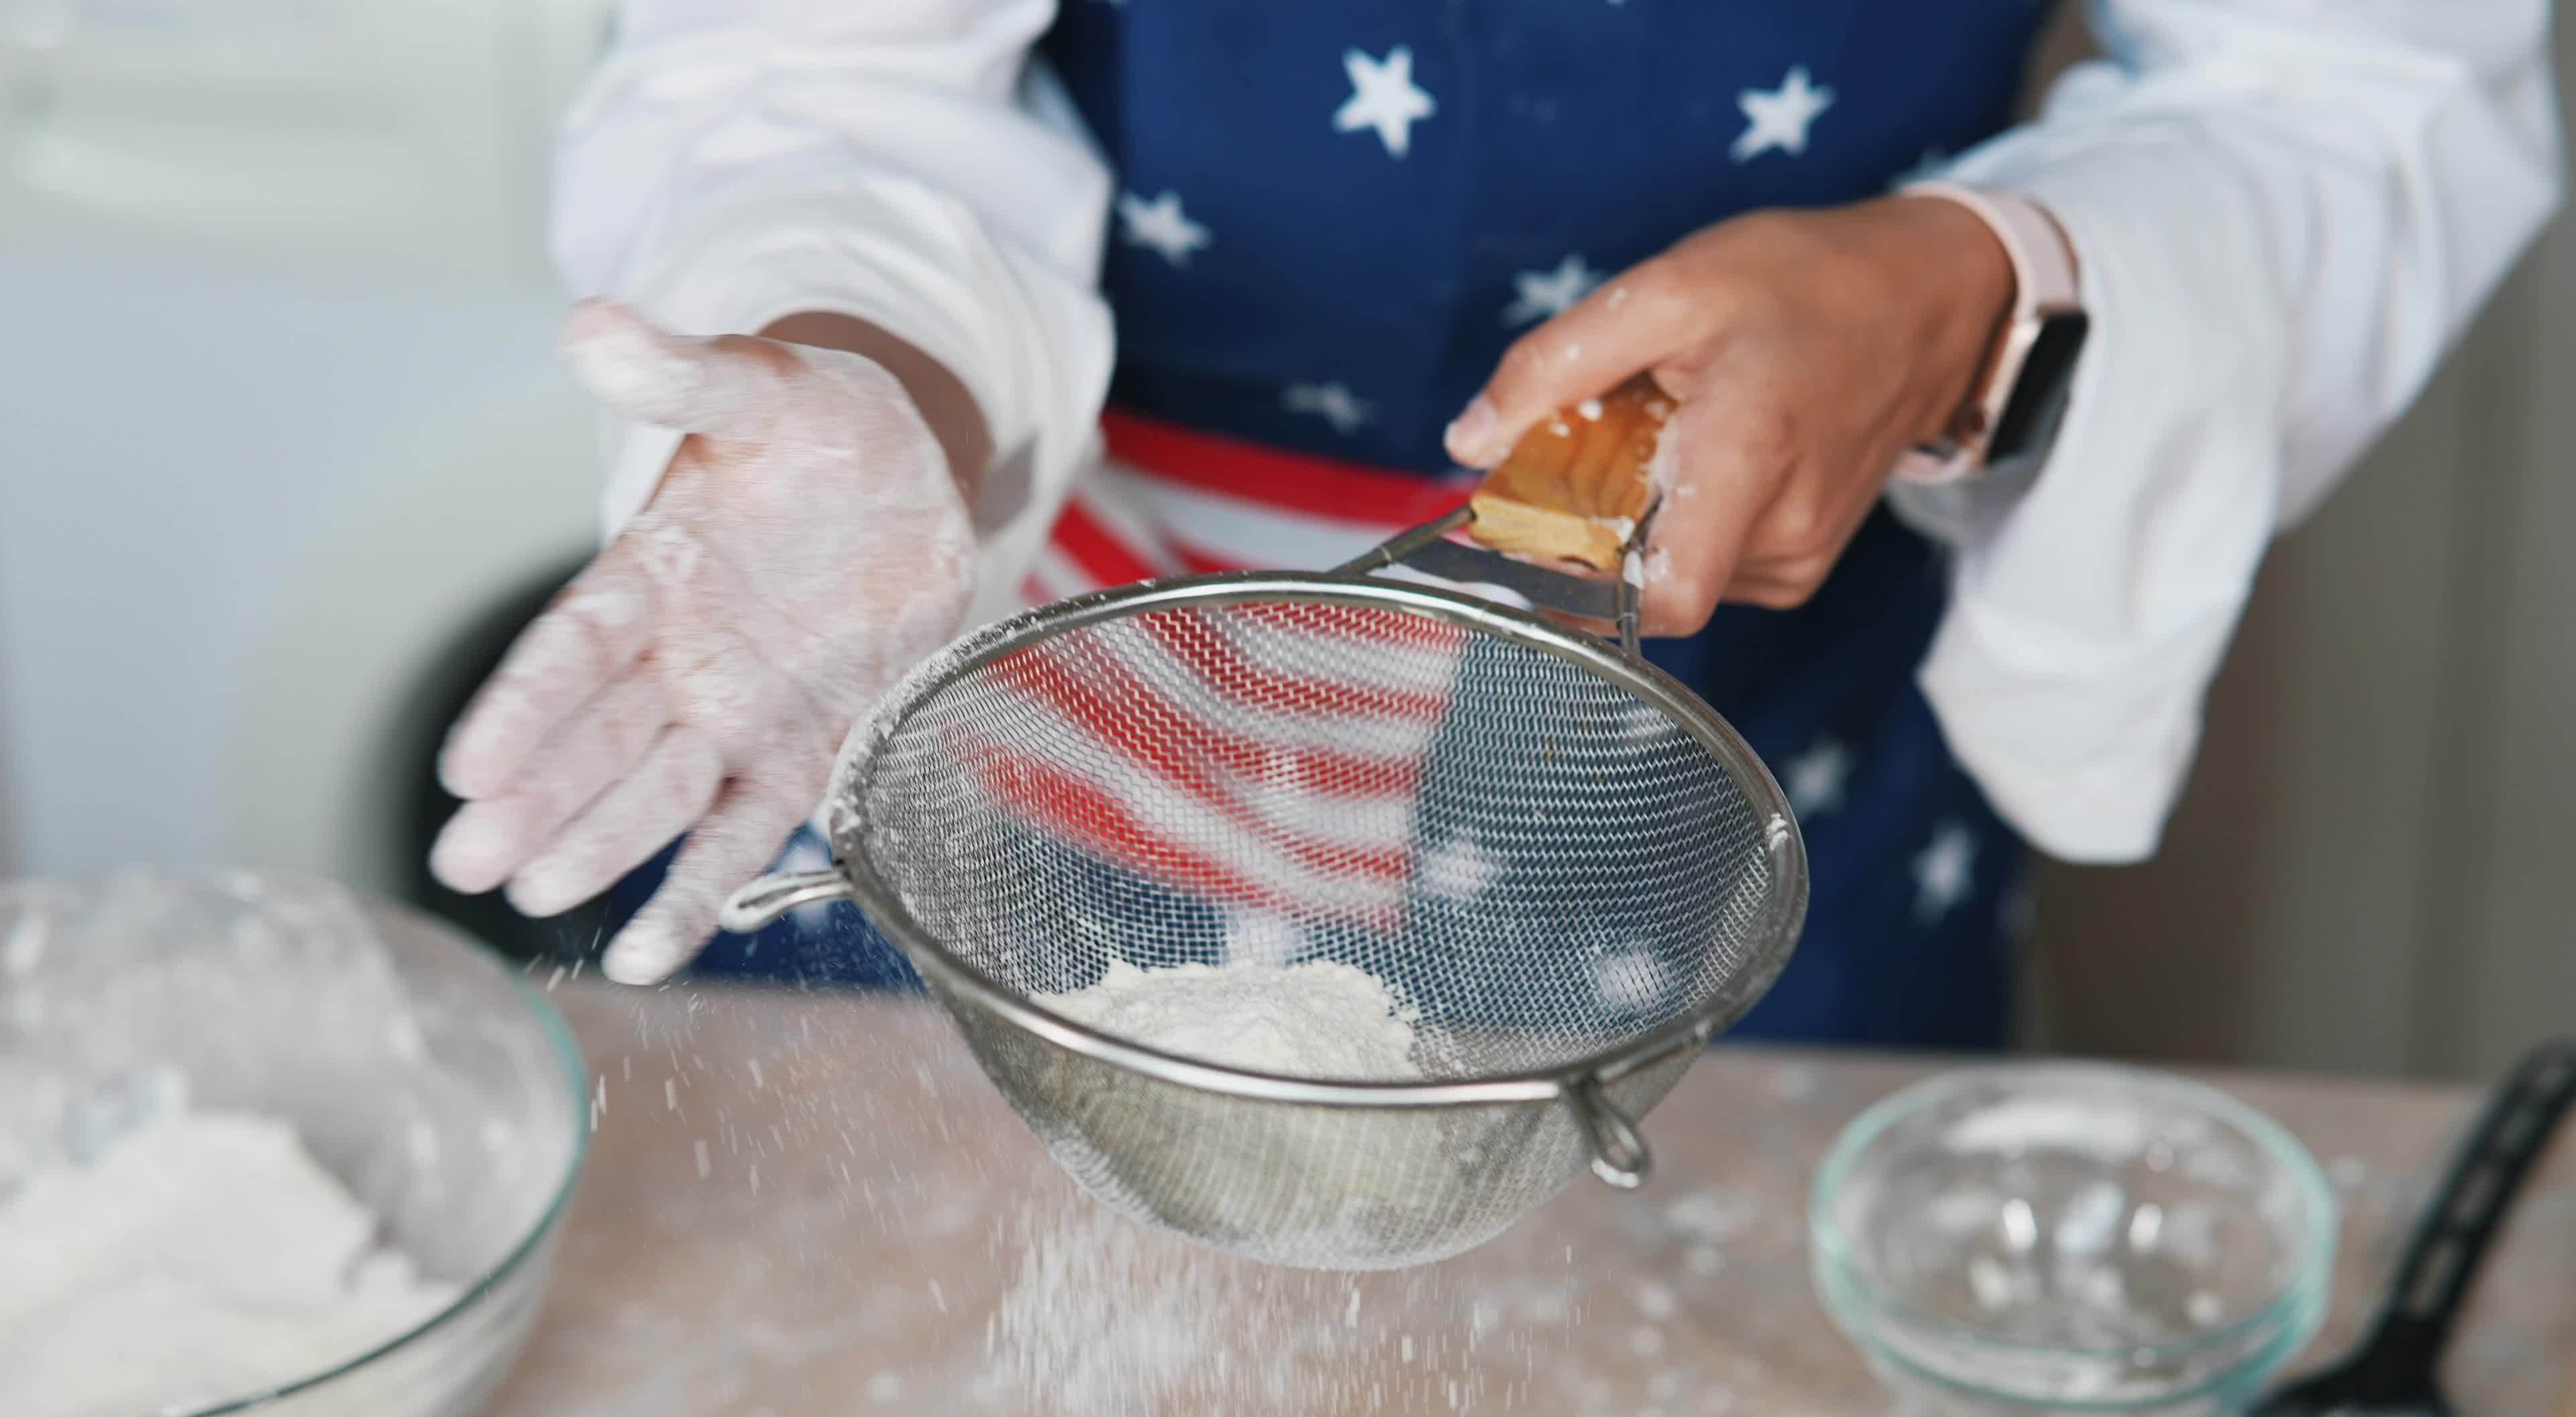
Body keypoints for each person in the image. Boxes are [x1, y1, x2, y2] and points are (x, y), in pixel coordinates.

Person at [428, 0, 2559, 1048]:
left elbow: (2357, 99)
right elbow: (811, 64)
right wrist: (856, 362)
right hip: (1023, 717)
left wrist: (1970, 298)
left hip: (1743, 781)